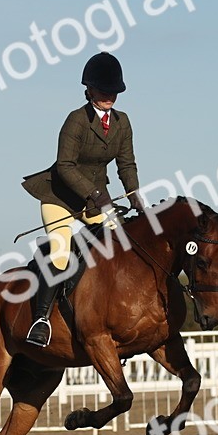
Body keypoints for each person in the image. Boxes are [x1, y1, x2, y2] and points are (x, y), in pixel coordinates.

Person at [20, 51, 144, 347]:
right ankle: (41, 319)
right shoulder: (75, 120)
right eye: (103, 91)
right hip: (60, 197)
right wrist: (95, 194)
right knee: (61, 253)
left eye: (113, 91)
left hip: (94, 199)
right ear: (89, 90)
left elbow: (126, 164)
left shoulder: (122, 123)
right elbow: (64, 166)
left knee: (123, 241)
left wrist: (135, 197)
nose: (109, 97)